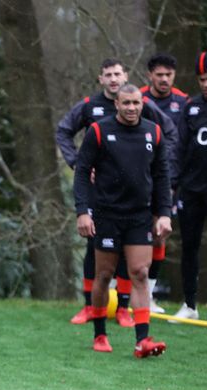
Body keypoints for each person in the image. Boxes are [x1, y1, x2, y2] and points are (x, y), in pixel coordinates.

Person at [56, 58, 178, 325]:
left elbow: (168, 133)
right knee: (95, 248)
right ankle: (90, 306)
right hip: (101, 194)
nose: (113, 79)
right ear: (101, 79)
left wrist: (154, 163)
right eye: (108, 74)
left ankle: (123, 307)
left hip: (135, 199)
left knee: (131, 255)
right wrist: (77, 163)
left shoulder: (142, 107)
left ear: (125, 77)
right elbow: (64, 131)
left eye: (117, 74)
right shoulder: (89, 107)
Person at [74, 84, 172, 357]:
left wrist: (164, 213)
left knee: (140, 273)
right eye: (126, 103)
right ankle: (100, 333)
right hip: (107, 214)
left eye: (136, 103)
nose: (131, 108)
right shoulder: (99, 131)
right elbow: (82, 172)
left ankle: (143, 340)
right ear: (116, 104)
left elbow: (162, 176)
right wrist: (83, 210)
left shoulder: (153, 132)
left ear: (143, 104)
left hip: (139, 216)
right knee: (104, 275)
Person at [139, 53, 189, 313]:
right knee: (133, 235)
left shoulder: (184, 102)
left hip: (170, 181)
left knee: (159, 235)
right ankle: (124, 293)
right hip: (138, 179)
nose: (164, 79)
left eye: (168, 75)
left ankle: (148, 295)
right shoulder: (137, 99)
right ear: (150, 75)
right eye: (159, 75)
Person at [172, 51, 207, 322]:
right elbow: (179, 148)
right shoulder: (191, 108)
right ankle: (189, 304)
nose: (206, 84)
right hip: (192, 190)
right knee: (189, 246)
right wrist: (174, 185)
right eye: (203, 79)